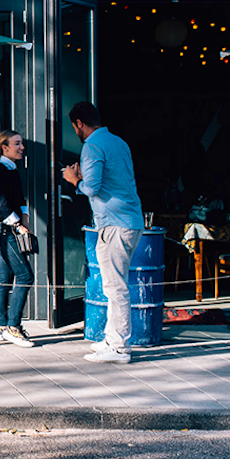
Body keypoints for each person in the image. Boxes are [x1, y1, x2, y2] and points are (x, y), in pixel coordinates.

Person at [62, 101, 144, 364]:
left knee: (115, 287)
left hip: (114, 224)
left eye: (74, 126)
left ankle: (119, 348)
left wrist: (73, 179)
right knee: (114, 285)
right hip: (130, 220)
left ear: (79, 124)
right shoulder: (119, 142)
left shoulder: (92, 146)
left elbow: (93, 187)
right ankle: (111, 339)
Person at [0, 130, 35, 348]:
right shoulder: (1, 169)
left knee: (4, 279)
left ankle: (1, 327)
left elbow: (17, 198)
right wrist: (18, 224)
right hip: (3, 230)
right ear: (4, 147)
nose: (22, 147)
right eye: (17, 144)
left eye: (21, 143)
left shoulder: (9, 168)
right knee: (25, 276)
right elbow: (2, 202)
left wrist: (24, 217)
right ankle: (13, 328)